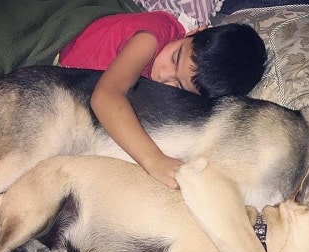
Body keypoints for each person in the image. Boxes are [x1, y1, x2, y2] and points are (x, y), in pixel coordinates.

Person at [58, 11, 267, 188]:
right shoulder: (151, 38)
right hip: (61, 35)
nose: (163, 75)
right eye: (175, 58)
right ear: (196, 31)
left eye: (178, 85)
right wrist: (154, 160)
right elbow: (106, 96)